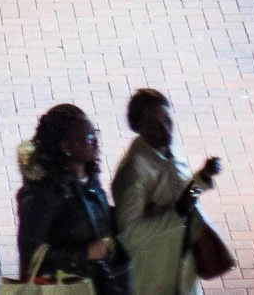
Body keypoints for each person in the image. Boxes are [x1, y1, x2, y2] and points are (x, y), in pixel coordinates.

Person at [113, 88, 221, 295]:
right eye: (154, 125)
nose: (165, 129)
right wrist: (176, 213)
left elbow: (183, 196)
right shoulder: (133, 173)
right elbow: (130, 234)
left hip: (182, 262)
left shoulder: (170, 147)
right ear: (138, 127)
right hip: (155, 272)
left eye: (167, 120)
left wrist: (202, 178)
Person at [15, 104, 122, 292]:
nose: (95, 142)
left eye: (95, 134)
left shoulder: (88, 178)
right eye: (88, 138)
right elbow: (32, 256)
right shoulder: (43, 193)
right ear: (66, 146)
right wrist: (85, 254)